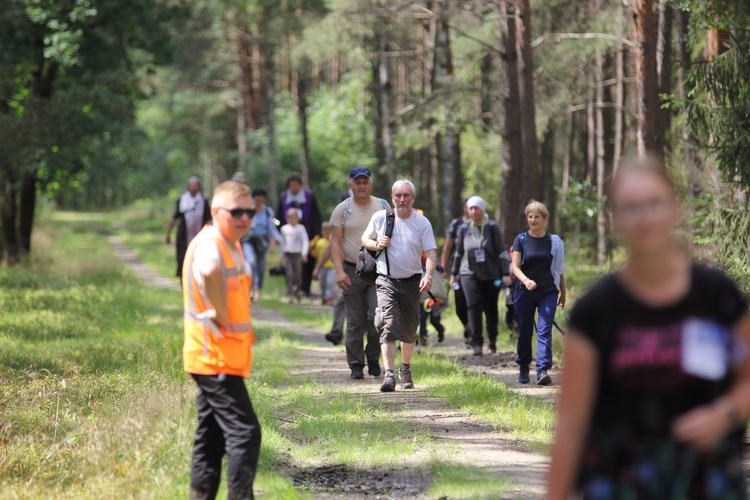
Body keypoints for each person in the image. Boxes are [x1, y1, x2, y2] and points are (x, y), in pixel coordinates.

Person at [547, 157, 750, 498]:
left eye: (654, 204)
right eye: (630, 208)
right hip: (619, 483)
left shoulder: (718, 297)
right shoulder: (596, 311)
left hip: (706, 481)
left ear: (675, 208)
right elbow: (570, 426)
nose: (644, 217)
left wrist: (723, 414)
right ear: (614, 220)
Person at [181, 180, 261, 500]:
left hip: (221, 357)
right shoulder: (212, 244)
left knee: (211, 437)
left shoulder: (231, 242)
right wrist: (218, 311)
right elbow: (211, 270)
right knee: (246, 433)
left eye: (249, 212)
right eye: (236, 212)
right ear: (216, 212)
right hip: (214, 357)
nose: (244, 218)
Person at [363, 179, 437, 392]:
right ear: (392, 197)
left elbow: (431, 252)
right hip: (386, 280)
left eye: (406, 195)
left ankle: (405, 368)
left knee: (409, 328)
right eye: (398, 195)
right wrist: (376, 244)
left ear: (413, 198)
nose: (402, 199)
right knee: (388, 324)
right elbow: (364, 240)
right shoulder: (381, 217)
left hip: (412, 281)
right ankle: (388, 375)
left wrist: (429, 275)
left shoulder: (421, 222)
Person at [329, 167, 389, 378]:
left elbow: (394, 237)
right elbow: (335, 243)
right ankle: (355, 364)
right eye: (358, 182)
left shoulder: (382, 206)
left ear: (371, 184)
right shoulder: (342, 210)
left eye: (365, 182)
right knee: (354, 320)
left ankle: (373, 359)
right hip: (351, 270)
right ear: (350, 185)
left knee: (376, 317)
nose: (362, 186)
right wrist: (339, 271)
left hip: (378, 270)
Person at [511, 200, 565, 385]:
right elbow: (515, 267)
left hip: (548, 291)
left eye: (537, 217)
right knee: (525, 330)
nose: (533, 220)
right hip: (524, 291)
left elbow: (559, 269)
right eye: (530, 216)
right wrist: (526, 281)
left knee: (544, 330)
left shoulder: (554, 241)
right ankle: (524, 366)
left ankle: (542, 370)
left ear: (545, 218)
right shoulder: (521, 239)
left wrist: (562, 292)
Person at [449, 196, 512, 357]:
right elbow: (458, 253)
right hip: (468, 272)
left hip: (490, 274)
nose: (473, 211)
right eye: (470, 208)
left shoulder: (492, 228)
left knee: (490, 308)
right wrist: (454, 274)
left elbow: (502, 253)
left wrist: (505, 273)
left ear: (482, 210)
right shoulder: (464, 228)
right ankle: (476, 342)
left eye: (476, 208)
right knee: (473, 305)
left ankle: (492, 338)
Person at [277, 173, 322, 296]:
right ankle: (292, 289)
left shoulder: (308, 196)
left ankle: (305, 288)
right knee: (291, 266)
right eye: (292, 186)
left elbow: (315, 216)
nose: (294, 188)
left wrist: (317, 234)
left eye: (296, 185)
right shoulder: (284, 197)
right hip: (289, 236)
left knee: (307, 262)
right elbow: (279, 216)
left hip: (307, 233)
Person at [165, 176, 211, 281]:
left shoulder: (204, 202)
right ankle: (184, 282)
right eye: (191, 185)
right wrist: (168, 235)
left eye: (195, 185)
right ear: (188, 187)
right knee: (183, 260)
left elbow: (209, 220)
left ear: (199, 187)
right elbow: (174, 219)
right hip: (183, 238)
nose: (193, 187)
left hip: (200, 238)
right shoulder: (182, 201)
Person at [242, 188, 282, 301]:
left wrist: (273, 243)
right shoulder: (248, 211)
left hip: (263, 241)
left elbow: (272, 228)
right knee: (251, 263)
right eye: (256, 197)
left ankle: (258, 290)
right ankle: (249, 290)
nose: (258, 200)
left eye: (261, 198)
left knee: (260, 266)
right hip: (249, 240)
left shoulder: (268, 212)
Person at [441, 204, 471, 346]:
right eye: (468, 207)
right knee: (460, 306)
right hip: (458, 270)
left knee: (475, 304)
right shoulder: (457, 224)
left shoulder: (487, 225)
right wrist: (443, 269)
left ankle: (475, 334)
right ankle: (467, 328)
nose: (471, 210)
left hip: (479, 272)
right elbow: (447, 248)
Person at [280, 208, 309, 302]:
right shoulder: (284, 229)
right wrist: (281, 256)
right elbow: (282, 243)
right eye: (290, 218)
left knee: (298, 274)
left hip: (297, 254)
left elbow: (305, 241)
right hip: (288, 253)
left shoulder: (300, 228)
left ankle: (297, 291)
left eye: (294, 218)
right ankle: (291, 293)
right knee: (289, 274)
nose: (292, 220)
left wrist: (304, 253)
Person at [313, 222, 336, 305]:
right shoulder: (319, 242)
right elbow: (316, 254)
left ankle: (329, 297)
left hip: (332, 266)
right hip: (323, 266)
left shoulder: (333, 242)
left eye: (328, 231)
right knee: (322, 283)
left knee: (330, 282)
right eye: (325, 231)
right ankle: (323, 297)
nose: (326, 233)